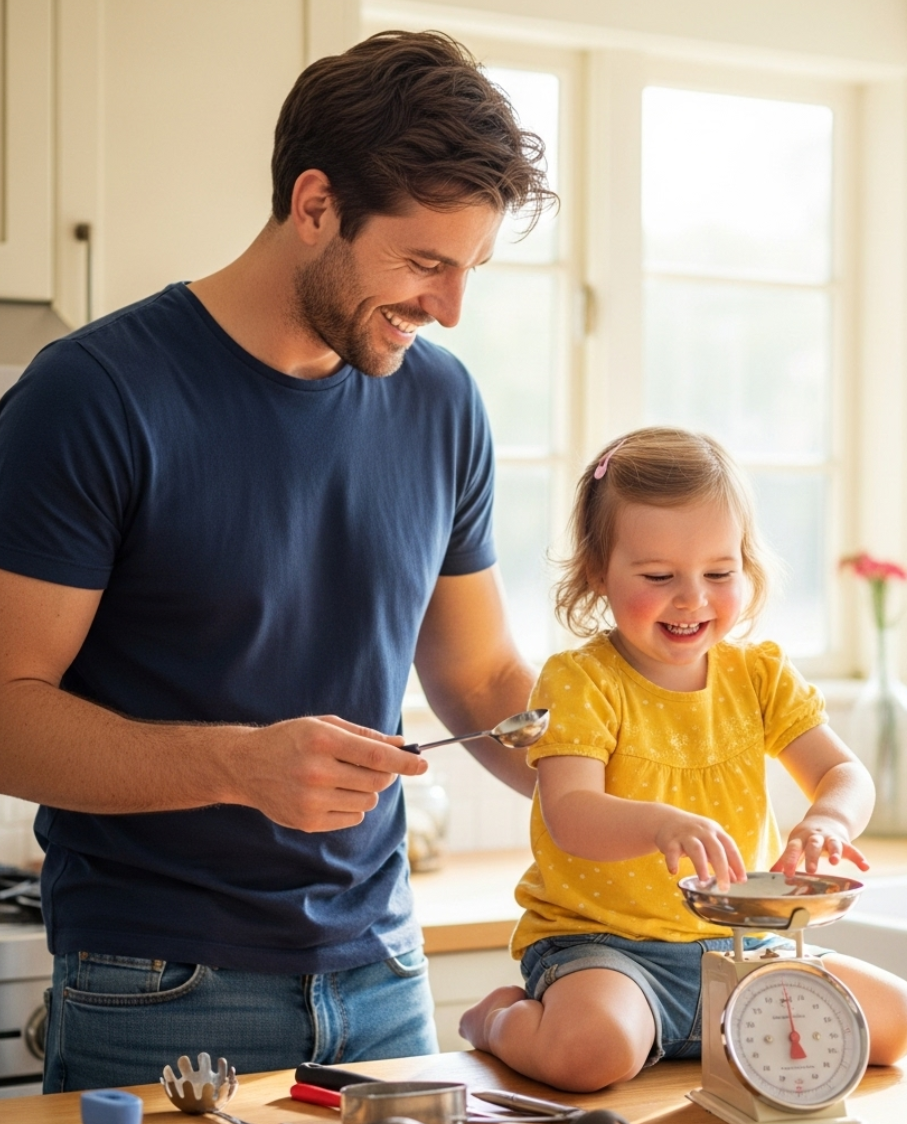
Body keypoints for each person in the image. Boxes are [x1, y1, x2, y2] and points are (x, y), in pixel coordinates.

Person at [0, 30, 556, 1092]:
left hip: (385, 973)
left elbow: (483, 676)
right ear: (314, 206)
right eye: (424, 263)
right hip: (158, 987)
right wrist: (238, 765)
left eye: (470, 269)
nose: (449, 309)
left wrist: (643, 783)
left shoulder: (442, 403)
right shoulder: (94, 397)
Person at [459, 427, 907, 1092]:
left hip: (746, 941)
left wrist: (829, 821)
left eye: (719, 573)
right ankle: (500, 1019)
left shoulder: (759, 676)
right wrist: (659, 824)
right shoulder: (580, 681)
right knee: (591, 1052)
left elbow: (844, 774)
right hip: (608, 950)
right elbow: (569, 813)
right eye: (658, 576)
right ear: (597, 572)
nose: (692, 598)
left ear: (746, 567)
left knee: (898, 1020)